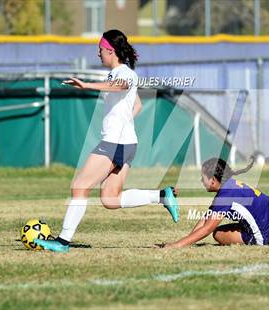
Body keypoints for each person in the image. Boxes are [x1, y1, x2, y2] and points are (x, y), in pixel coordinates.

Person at [35, 29, 179, 253]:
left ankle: (62, 242)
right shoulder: (123, 73)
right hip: (126, 143)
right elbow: (137, 104)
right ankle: (161, 196)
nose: (98, 54)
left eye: (100, 50)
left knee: (79, 186)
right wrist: (122, 121)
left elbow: (121, 86)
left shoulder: (123, 73)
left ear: (110, 50)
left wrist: (87, 85)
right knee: (110, 199)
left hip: (114, 143)